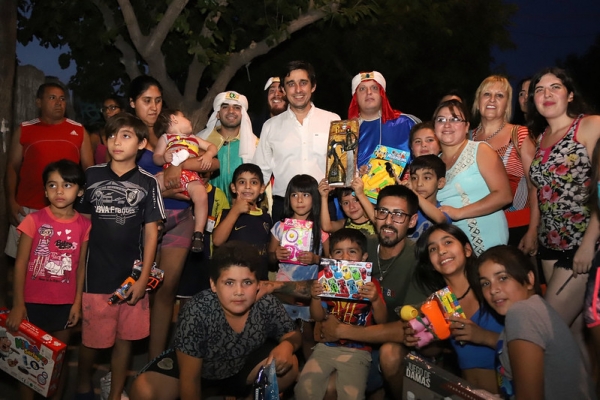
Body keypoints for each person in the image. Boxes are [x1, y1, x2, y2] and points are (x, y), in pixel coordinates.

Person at [129, 241, 301, 400]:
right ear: (213, 285)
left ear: (258, 284)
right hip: (200, 373)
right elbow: (190, 379)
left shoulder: (265, 303)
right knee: (143, 390)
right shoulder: (197, 311)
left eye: (247, 282)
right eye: (229, 283)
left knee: (290, 365)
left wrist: (287, 345)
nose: (239, 291)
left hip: (240, 369)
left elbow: (293, 333)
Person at [74, 113, 165, 400]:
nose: (117, 141)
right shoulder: (91, 176)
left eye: (126, 136)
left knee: (124, 341)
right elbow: (80, 226)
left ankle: (114, 394)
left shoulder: (148, 183)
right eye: (112, 135)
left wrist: (143, 280)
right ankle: (82, 385)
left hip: (130, 277)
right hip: (95, 276)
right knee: (92, 341)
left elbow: (152, 233)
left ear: (141, 143)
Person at [129, 76, 218, 362]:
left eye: (157, 100)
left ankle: (154, 362)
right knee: (135, 290)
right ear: (132, 104)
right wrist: (169, 177)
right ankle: (125, 360)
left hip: (182, 219)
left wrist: (180, 166)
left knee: (166, 291)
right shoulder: (128, 137)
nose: (153, 107)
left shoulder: (171, 136)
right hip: (145, 221)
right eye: (146, 101)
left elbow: (213, 162)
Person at [318, 185, 429, 399]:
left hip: (400, 346)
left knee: (389, 353)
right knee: (326, 388)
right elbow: (327, 281)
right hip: (355, 342)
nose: (388, 221)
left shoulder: (419, 259)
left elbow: (410, 329)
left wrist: (342, 331)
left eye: (398, 215)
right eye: (383, 212)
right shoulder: (361, 245)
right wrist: (272, 286)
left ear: (412, 221)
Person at [521, 67, 600, 363]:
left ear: (569, 95)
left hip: (581, 244)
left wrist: (589, 243)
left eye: (555, 87)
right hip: (549, 247)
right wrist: (532, 231)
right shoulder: (541, 138)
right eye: (539, 90)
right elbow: (541, 193)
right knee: (575, 339)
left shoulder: (590, 126)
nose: (546, 94)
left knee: (545, 327)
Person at [6, 159, 90, 400]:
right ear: (44, 191)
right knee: (27, 363)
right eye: (52, 185)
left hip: (64, 306)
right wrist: (18, 304)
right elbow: (20, 263)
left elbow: (80, 267)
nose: (59, 191)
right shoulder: (33, 221)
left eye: (67, 185)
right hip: (31, 304)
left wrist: (76, 303)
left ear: (80, 190)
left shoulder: (84, 226)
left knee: (55, 364)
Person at [473, 245, 595, 400]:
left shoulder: (522, 313)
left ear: (529, 279)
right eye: (485, 283)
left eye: (502, 278)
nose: (493, 290)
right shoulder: (534, 309)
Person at [406, 224, 503, 394]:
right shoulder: (437, 302)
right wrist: (421, 339)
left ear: (467, 250)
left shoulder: (492, 288)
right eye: (432, 249)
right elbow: (434, 351)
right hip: (469, 393)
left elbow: (528, 344)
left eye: (448, 242)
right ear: (431, 263)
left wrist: (483, 336)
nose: (441, 251)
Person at [295, 228, 387, 400]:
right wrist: (315, 297)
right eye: (338, 252)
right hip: (326, 347)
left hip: (358, 351)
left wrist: (375, 299)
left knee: (352, 395)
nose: (345, 257)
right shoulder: (325, 278)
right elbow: (318, 317)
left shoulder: (371, 284)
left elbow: (382, 321)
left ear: (364, 257)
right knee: (303, 390)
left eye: (352, 251)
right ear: (331, 257)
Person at [5, 82, 94, 259]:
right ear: (39, 102)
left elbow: (90, 171)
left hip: (67, 210)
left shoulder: (78, 130)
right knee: (22, 262)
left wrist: (85, 206)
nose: (59, 102)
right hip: (28, 208)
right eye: (52, 98)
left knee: (59, 263)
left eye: (62, 98)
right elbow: (12, 167)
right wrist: (11, 201)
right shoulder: (25, 130)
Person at [253, 61, 341, 222]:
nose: (298, 90)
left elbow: (342, 165)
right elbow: (261, 171)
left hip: (322, 206)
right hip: (284, 207)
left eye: (303, 83)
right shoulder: (270, 126)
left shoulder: (332, 120)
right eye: (291, 84)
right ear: (284, 90)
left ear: (313, 86)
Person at [434, 99, 512, 255]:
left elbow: (504, 196)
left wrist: (459, 212)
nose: (447, 124)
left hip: (488, 239)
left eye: (455, 119)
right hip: (454, 248)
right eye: (441, 120)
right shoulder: (434, 163)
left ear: (466, 127)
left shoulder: (480, 150)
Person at [268, 174, 329, 359]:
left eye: (305, 195)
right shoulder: (280, 226)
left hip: (308, 292)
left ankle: (307, 375)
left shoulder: (321, 228)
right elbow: (270, 259)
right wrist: (275, 254)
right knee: (283, 336)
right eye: (294, 195)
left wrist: (315, 258)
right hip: (283, 292)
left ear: (314, 198)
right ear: (288, 198)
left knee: (309, 337)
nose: (299, 200)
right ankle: (283, 371)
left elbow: (331, 262)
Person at [471, 75, 536, 246]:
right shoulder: (466, 137)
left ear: (507, 104)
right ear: (478, 101)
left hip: (516, 227)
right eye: (487, 94)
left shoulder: (520, 135)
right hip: (474, 226)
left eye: (500, 95)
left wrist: (533, 230)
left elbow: (535, 186)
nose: (492, 99)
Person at [153, 108, 218, 252]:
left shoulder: (194, 138)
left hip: (190, 175)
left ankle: (198, 233)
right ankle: (157, 221)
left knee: (201, 195)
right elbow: (156, 157)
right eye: (185, 117)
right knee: (154, 185)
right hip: (169, 172)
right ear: (174, 119)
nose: (189, 121)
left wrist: (208, 155)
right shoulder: (166, 138)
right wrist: (163, 157)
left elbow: (212, 147)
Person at [348, 71, 420, 169]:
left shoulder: (406, 123)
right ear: (355, 97)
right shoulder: (347, 132)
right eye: (362, 89)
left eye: (374, 88)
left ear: (382, 94)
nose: (369, 92)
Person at [212, 163, 271, 279]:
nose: (248, 186)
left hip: (259, 279)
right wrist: (235, 211)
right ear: (233, 187)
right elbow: (217, 241)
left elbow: (268, 251)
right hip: (233, 278)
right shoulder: (226, 214)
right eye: (242, 182)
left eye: (253, 182)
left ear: (262, 188)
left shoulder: (266, 218)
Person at [198, 91, 258, 203]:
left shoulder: (256, 145)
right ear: (217, 113)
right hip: (207, 208)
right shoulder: (201, 140)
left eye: (236, 107)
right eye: (225, 107)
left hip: (243, 209)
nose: (231, 111)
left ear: (243, 114)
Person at [405, 155, 450, 241]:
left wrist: (413, 192)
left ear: (440, 183)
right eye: (414, 178)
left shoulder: (442, 210)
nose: (419, 184)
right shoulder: (407, 208)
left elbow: (440, 219)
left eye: (426, 178)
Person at [94, 95, 125, 164]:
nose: (107, 111)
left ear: (122, 110)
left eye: (112, 108)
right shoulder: (96, 137)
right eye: (105, 109)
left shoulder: (131, 133)